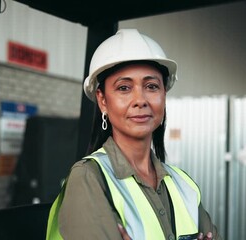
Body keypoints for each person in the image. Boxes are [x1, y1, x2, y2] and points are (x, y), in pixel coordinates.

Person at [46, 29, 219, 240]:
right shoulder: (88, 178)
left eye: (152, 86)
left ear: (164, 95)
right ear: (102, 101)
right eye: (124, 87)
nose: (140, 100)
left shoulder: (183, 184)